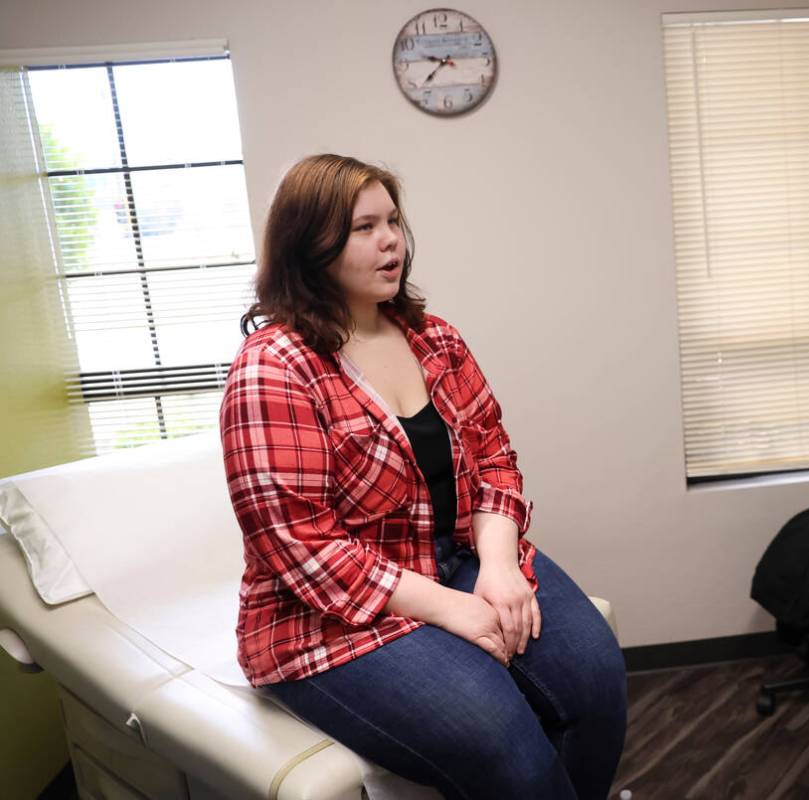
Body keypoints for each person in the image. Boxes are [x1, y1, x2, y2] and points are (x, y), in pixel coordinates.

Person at [219, 154, 626, 800]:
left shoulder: (434, 339)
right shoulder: (275, 366)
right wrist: (452, 609)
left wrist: (497, 564)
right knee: (504, 741)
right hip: (329, 617)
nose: (391, 242)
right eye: (363, 227)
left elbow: (493, 458)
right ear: (309, 245)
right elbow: (302, 547)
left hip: (458, 558)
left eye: (394, 222)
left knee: (596, 679)